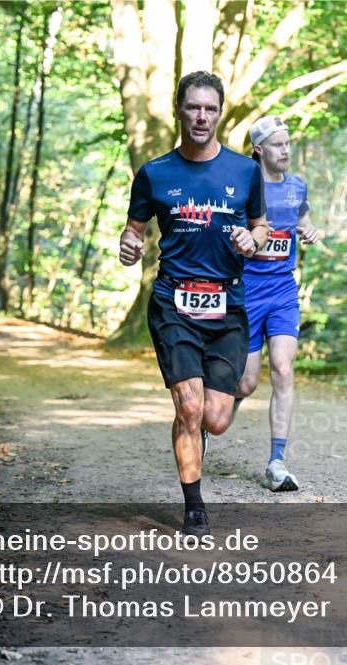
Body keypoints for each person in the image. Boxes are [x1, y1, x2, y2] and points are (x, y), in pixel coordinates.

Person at [118, 71, 269, 537]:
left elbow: (262, 228)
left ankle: (198, 429)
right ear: (178, 111)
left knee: (215, 420)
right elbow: (134, 230)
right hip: (174, 304)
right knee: (188, 407)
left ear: (220, 113)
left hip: (227, 305)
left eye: (210, 108)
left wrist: (252, 238)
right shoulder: (154, 174)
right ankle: (194, 503)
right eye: (193, 107)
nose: (201, 116)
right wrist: (127, 245)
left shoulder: (245, 171)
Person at [235, 115, 320, 492]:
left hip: (283, 291)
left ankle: (277, 462)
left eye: (288, 143)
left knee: (283, 369)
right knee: (247, 383)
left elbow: (303, 219)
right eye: (278, 144)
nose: (286, 150)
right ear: (259, 150)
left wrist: (311, 230)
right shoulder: (242, 187)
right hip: (248, 291)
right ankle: (211, 423)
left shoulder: (297, 187)